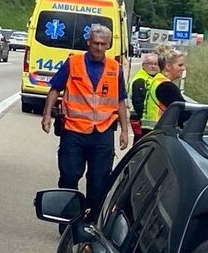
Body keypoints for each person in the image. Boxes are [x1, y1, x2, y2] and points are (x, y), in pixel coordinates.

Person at [41, 25, 131, 215]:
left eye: (103, 44)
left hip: (102, 132)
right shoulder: (73, 63)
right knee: (69, 176)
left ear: (108, 45)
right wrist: (47, 115)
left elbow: (120, 100)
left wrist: (124, 130)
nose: (98, 47)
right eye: (95, 43)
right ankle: (66, 220)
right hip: (74, 131)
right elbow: (55, 89)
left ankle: (90, 221)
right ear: (88, 43)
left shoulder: (115, 69)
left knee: (99, 181)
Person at [128, 52, 159, 140]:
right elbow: (137, 102)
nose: (153, 66)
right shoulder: (140, 79)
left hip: (145, 120)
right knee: (140, 142)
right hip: (139, 119)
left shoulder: (152, 77)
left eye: (155, 64)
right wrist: (142, 116)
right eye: (149, 63)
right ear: (143, 65)